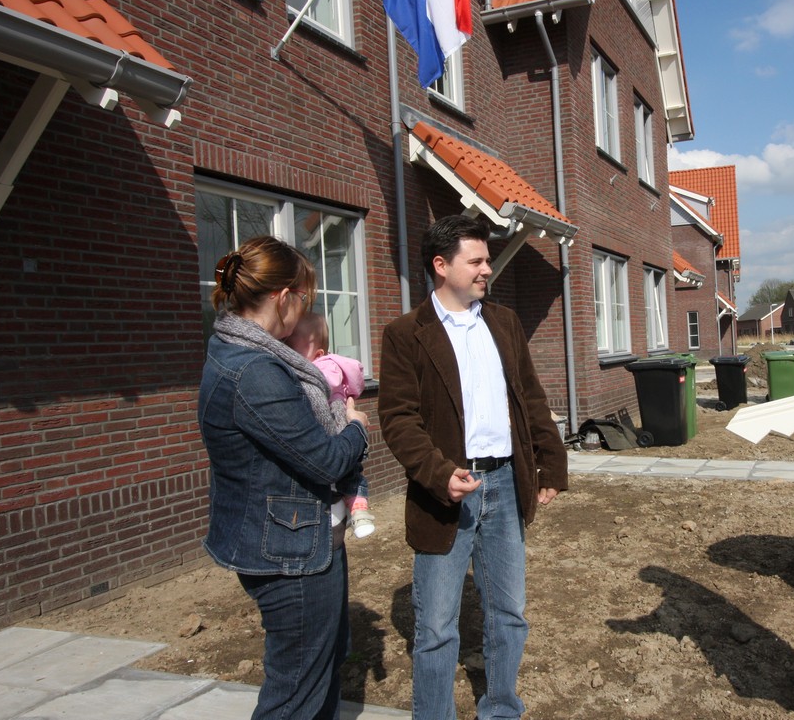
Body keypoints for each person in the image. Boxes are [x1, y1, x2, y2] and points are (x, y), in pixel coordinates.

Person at [377, 215, 568, 720]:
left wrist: (550, 463)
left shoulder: (503, 323)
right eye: (477, 261)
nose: (487, 269)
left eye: (488, 260)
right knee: (437, 627)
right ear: (441, 266)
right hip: (446, 492)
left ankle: (501, 707)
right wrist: (438, 473)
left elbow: (530, 399)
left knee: (509, 613)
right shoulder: (405, 334)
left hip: (505, 483)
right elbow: (398, 419)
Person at [198, 236, 370, 720]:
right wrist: (357, 429)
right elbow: (326, 461)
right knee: (294, 697)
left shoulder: (235, 350)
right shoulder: (255, 371)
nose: (307, 309)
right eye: (305, 298)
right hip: (289, 555)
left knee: (320, 674)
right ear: (283, 296)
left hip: (296, 542)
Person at [286, 311, 376, 538]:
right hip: (335, 428)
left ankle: (360, 510)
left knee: (351, 473)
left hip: (339, 423)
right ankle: (354, 508)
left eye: (293, 352)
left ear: (317, 354)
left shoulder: (326, 367)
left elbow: (327, 383)